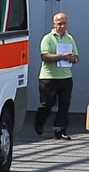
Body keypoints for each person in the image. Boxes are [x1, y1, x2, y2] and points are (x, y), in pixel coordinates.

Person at [34, 12, 79, 140]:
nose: (62, 26)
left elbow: (76, 56)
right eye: (59, 23)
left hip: (65, 77)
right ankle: (39, 121)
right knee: (47, 104)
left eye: (64, 23)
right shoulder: (48, 38)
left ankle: (60, 130)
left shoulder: (69, 38)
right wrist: (62, 56)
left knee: (64, 105)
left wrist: (72, 59)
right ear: (54, 24)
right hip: (49, 77)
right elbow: (45, 56)